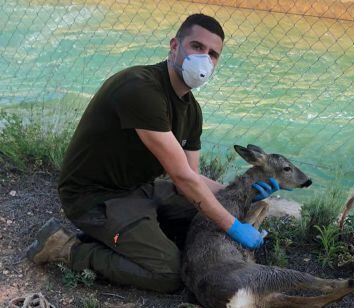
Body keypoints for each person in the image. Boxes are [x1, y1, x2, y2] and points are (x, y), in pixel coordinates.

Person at [25, 14, 284, 293]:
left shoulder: (192, 110)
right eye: (196, 46)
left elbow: (193, 176)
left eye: (213, 54)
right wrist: (233, 226)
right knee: (168, 274)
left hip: (139, 190)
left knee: (213, 209)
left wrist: (238, 193)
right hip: (95, 198)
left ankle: (129, 237)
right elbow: (183, 178)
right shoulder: (141, 88)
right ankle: (67, 248)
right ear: (174, 46)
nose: (204, 59)